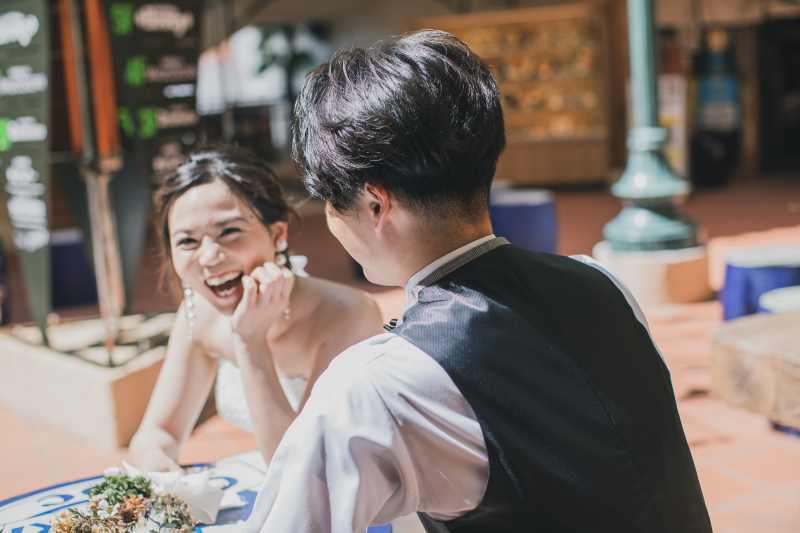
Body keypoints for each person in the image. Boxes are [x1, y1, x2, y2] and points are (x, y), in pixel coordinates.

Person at [243, 31, 712, 533]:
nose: (332, 221)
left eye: (331, 203)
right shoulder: (603, 284)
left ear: (376, 205)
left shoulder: (377, 382)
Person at [129, 145, 383, 472]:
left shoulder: (349, 315)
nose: (209, 256)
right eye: (187, 241)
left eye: (229, 232)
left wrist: (251, 341)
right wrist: (160, 470)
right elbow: (157, 433)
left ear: (277, 234)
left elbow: (303, 470)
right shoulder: (200, 311)